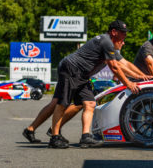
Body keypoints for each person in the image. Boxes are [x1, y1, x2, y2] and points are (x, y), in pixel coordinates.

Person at [23, 20, 140, 148]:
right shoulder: (106, 42)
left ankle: (85, 137)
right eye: (123, 33)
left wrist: (141, 76)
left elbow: (124, 64)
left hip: (82, 75)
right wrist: (129, 83)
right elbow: (115, 67)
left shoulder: (110, 45)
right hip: (72, 70)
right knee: (61, 103)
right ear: (113, 32)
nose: (125, 36)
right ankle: (54, 137)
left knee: (89, 103)